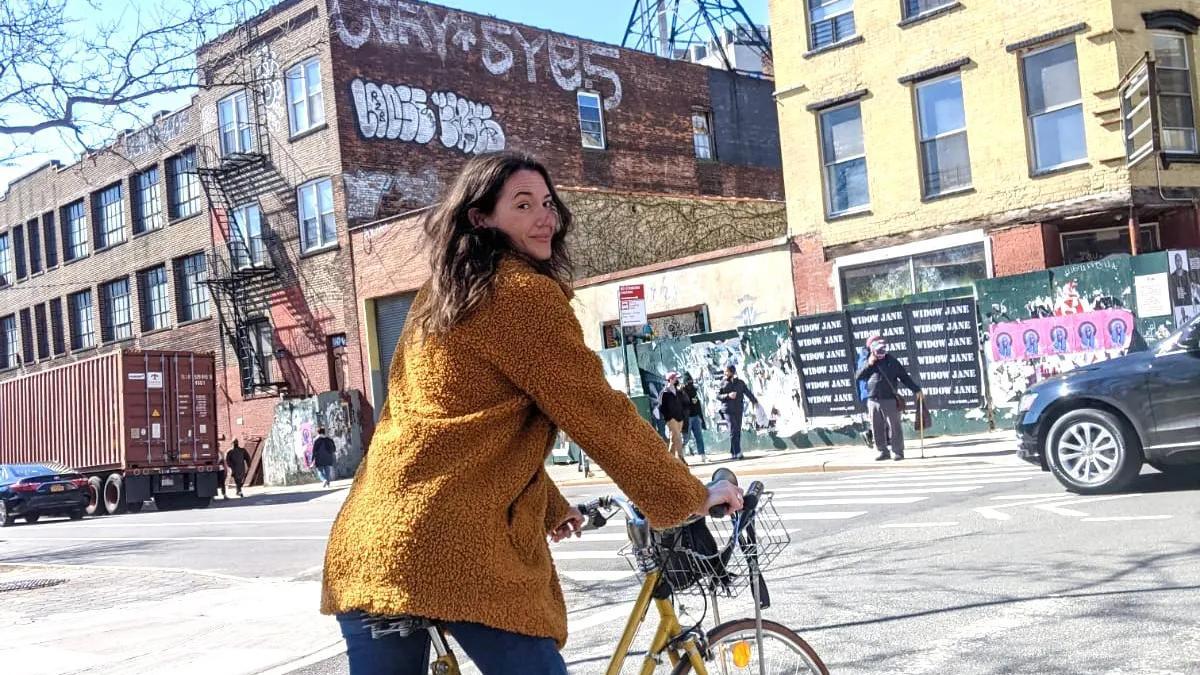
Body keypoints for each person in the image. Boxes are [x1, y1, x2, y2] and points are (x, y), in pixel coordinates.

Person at [320, 152, 742, 675]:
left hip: (370, 545)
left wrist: (548, 504)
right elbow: (594, 409)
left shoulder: (442, 296)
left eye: (547, 203)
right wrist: (687, 495)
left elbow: (460, 429)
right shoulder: (520, 295)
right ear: (481, 217)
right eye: (523, 205)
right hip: (448, 548)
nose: (545, 216)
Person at [855, 335, 922, 461]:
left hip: (889, 399)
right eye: (879, 350)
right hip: (873, 399)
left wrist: (916, 390)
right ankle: (882, 451)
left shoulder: (892, 361)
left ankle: (898, 452)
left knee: (894, 427)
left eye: (883, 349)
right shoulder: (868, 361)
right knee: (876, 427)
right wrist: (869, 364)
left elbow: (904, 377)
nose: (881, 352)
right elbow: (858, 376)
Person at [717, 364, 758, 460]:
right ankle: (738, 451)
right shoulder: (722, 383)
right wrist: (728, 395)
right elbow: (718, 396)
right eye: (725, 371)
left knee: (738, 430)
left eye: (727, 371)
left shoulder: (740, 382)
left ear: (732, 372)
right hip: (727, 409)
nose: (725, 373)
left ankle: (733, 451)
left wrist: (755, 401)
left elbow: (747, 392)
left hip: (738, 409)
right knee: (733, 429)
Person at [657, 372, 688, 464]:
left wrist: (682, 391)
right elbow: (661, 407)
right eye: (675, 378)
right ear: (670, 379)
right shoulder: (664, 392)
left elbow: (685, 402)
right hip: (671, 419)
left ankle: (669, 459)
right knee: (678, 436)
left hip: (679, 417)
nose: (676, 380)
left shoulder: (678, 391)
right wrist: (668, 417)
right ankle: (680, 458)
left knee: (674, 438)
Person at [680, 372, 707, 462]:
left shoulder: (694, 390)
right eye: (688, 381)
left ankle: (702, 455)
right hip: (687, 418)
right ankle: (680, 454)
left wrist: (701, 418)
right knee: (685, 438)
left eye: (691, 381)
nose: (690, 383)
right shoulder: (681, 392)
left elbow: (697, 404)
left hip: (695, 416)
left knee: (699, 436)